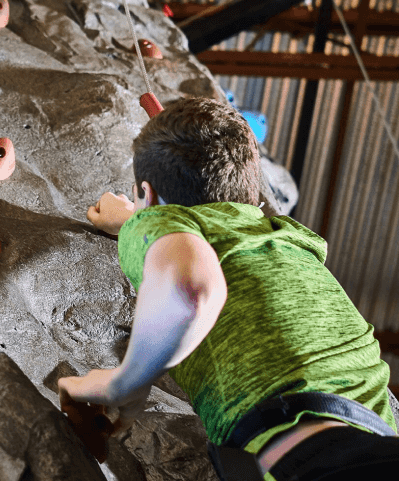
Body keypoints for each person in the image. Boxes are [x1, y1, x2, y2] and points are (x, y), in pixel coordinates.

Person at [57, 97, 399, 480]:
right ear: (249, 194)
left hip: (311, 449)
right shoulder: (289, 239)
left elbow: (192, 289)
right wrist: (140, 214)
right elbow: (217, 236)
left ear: (150, 198)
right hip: (373, 430)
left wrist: (126, 385)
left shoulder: (156, 220)